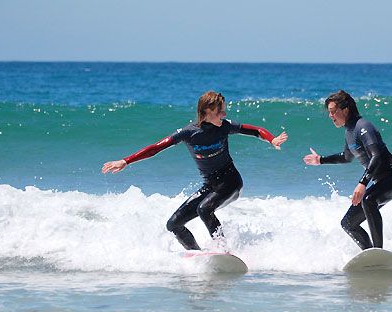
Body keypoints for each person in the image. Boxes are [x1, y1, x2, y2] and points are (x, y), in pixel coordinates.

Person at [102, 91, 288, 250]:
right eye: (219, 110)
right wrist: (126, 161)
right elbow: (155, 147)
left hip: (231, 182)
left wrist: (272, 139)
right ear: (207, 111)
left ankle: (222, 249)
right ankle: (198, 254)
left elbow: (256, 130)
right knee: (173, 224)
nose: (223, 114)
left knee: (204, 209)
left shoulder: (224, 127)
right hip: (210, 186)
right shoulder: (188, 133)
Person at [303, 90, 392, 250]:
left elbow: (376, 155)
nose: (330, 116)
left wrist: (362, 183)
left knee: (368, 200)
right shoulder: (350, 132)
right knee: (348, 223)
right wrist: (321, 160)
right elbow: (346, 157)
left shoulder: (363, 126)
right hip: (382, 181)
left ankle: (378, 251)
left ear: (345, 109)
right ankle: (370, 253)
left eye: (332, 111)